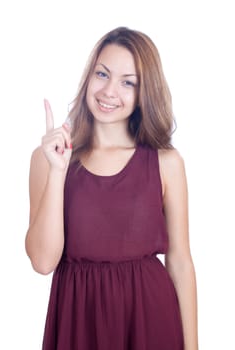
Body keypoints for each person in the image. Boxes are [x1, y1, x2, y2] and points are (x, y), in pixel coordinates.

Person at [25, 27, 198, 350]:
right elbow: (43, 261)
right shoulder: (48, 159)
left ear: (144, 92)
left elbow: (180, 262)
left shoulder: (166, 162)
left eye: (127, 82)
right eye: (102, 74)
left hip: (150, 320)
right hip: (78, 322)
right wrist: (58, 170)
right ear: (88, 77)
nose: (109, 91)